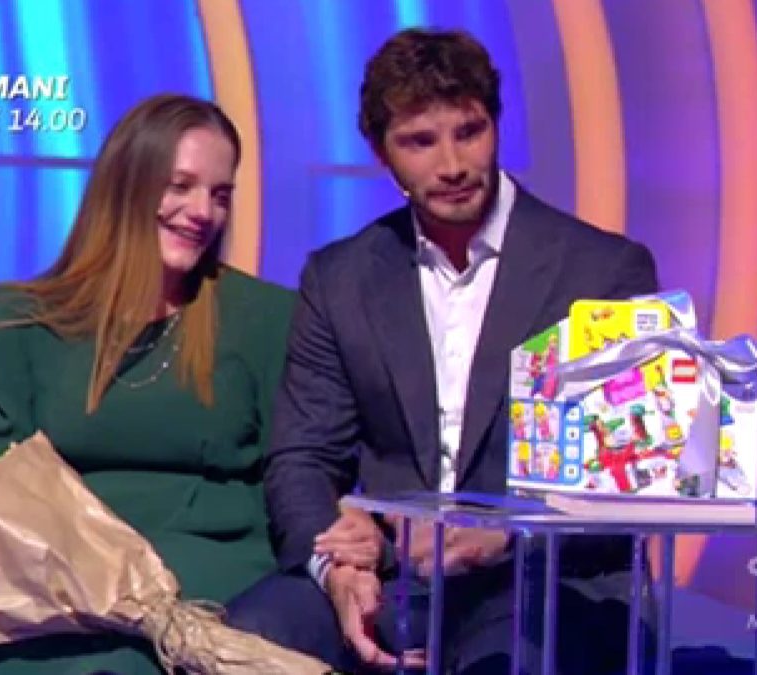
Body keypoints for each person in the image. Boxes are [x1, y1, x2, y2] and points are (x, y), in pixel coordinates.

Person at [227, 29, 658, 674]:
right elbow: (304, 456)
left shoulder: (602, 272)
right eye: (420, 141)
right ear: (382, 153)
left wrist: (506, 535)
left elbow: (631, 487)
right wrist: (337, 566)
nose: (452, 164)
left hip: (542, 579)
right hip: (396, 574)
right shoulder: (340, 278)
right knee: (247, 639)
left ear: (496, 126)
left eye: (469, 131)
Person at [0, 94, 295, 674]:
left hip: (205, 588)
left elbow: (296, 475)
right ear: (125, 186)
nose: (202, 212)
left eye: (220, 194)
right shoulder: (23, 323)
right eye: (180, 186)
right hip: (54, 586)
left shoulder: (263, 319)